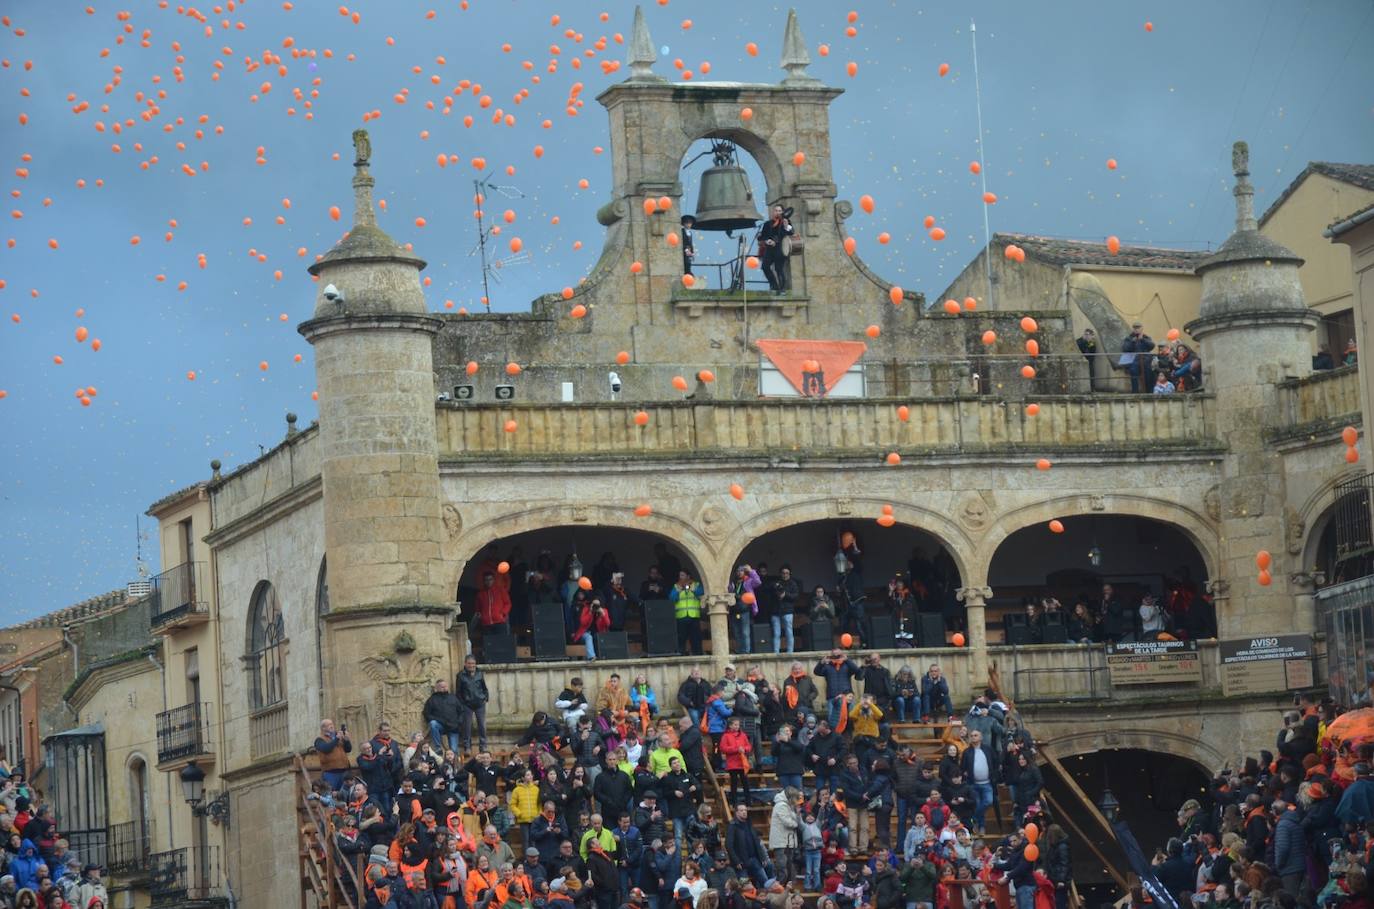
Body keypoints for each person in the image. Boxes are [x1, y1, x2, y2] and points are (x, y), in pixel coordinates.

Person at [726, 803, 775, 888]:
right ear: (736, 813)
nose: (744, 812)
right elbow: (729, 845)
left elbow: (756, 842)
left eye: (745, 810)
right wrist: (736, 861)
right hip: (741, 862)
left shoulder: (749, 824)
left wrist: (762, 857)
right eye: (741, 810)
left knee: (765, 881)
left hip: (754, 859)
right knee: (744, 885)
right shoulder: (732, 826)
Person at [814, 650, 861, 731]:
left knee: (851, 717)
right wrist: (821, 662)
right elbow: (816, 672)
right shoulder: (827, 666)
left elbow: (857, 670)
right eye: (834, 656)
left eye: (838, 655)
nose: (836, 657)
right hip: (832, 696)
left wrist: (847, 660)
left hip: (847, 696)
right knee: (833, 720)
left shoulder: (847, 664)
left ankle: (850, 736)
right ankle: (835, 737)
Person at [757, 204, 794, 294]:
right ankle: (774, 285)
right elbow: (761, 237)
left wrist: (786, 226)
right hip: (769, 249)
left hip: (780, 249)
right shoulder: (767, 224)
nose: (777, 212)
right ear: (773, 212)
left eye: (779, 211)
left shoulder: (785, 222)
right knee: (765, 267)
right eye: (776, 211)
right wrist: (766, 241)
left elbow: (791, 232)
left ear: (782, 212)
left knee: (779, 269)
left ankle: (782, 289)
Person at [458, 657, 490, 753]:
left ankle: (483, 745)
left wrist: (485, 697)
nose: (471, 665)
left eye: (473, 663)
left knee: (482, 725)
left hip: (480, 703)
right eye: (469, 663)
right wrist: (462, 703)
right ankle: (467, 747)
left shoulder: (479, 673)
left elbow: (484, 687)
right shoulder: (460, 675)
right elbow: (458, 691)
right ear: (465, 664)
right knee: (467, 726)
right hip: (467, 704)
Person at [424, 681, 466, 755]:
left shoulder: (453, 697)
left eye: (445, 686)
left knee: (454, 751)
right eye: (441, 686)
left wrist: (459, 722)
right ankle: (438, 747)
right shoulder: (432, 699)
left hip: (453, 727)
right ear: (437, 688)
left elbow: (461, 711)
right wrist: (439, 720)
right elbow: (427, 714)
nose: (444, 688)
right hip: (441, 725)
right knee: (433, 724)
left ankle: (455, 765)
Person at [670, 572, 705, 656]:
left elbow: (702, 594)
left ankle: (697, 654)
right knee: (681, 638)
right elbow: (671, 598)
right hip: (681, 616)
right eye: (679, 575)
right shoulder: (676, 586)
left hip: (694, 616)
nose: (680, 577)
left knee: (696, 638)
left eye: (682, 575)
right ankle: (681, 655)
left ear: (688, 576)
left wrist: (693, 590)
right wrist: (678, 591)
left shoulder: (696, 585)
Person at [719, 717, 753, 805]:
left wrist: (744, 749)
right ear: (730, 726)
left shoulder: (743, 735)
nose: (737, 726)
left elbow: (748, 746)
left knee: (745, 783)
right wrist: (736, 749)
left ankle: (748, 800)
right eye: (735, 724)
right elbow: (723, 748)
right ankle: (734, 801)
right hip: (732, 764)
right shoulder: (726, 736)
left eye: (738, 725)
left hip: (742, 763)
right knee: (734, 783)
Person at [315, 718, 354, 793]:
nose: (331, 726)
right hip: (330, 772)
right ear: (323, 728)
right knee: (331, 794)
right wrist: (336, 739)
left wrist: (346, 740)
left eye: (332, 724)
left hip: (344, 771)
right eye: (328, 725)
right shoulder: (319, 740)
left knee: (345, 794)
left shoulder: (339, 737)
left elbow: (348, 749)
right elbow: (326, 749)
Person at [476, 571, 513, 640]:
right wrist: (481, 616)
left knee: (501, 643)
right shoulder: (480, 594)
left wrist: (502, 613)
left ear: (493, 580)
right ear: (484, 581)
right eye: (486, 580)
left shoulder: (501, 590)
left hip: (499, 622)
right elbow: (478, 608)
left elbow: (508, 603)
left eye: (490, 579)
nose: (488, 582)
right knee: (489, 644)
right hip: (486, 624)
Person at [771, 566, 800, 654]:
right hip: (776, 611)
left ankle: (790, 652)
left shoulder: (793, 584)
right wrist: (777, 592)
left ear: (790, 574)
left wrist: (785, 594)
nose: (785, 575)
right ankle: (776, 652)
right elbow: (770, 594)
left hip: (787, 611)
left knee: (789, 632)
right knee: (776, 633)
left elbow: (795, 596)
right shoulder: (776, 583)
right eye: (783, 573)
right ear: (780, 574)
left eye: (787, 573)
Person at [1120, 322, 1155, 393]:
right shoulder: (1129, 338)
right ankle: (1135, 392)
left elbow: (1152, 346)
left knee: (1148, 373)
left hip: (1145, 360)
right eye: (1135, 328)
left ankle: (1149, 392)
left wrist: (1142, 340)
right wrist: (1132, 342)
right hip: (1134, 360)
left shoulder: (1146, 337)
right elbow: (1125, 348)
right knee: (1133, 371)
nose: (1136, 330)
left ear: (1141, 328)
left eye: (1138, 328)